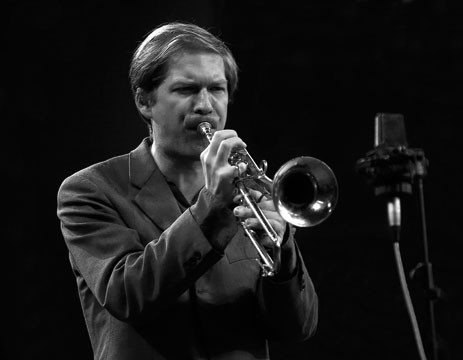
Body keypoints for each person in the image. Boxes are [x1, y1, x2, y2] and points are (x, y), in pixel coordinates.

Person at [56, 22, 318, 360]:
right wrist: (212, 206)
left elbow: (298, 328)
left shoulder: (252, 192)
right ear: (144, 101)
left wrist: (281, 255)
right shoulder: (90, 190)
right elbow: (127, 294)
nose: (206, 105)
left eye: (217, 89)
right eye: (186, 89)